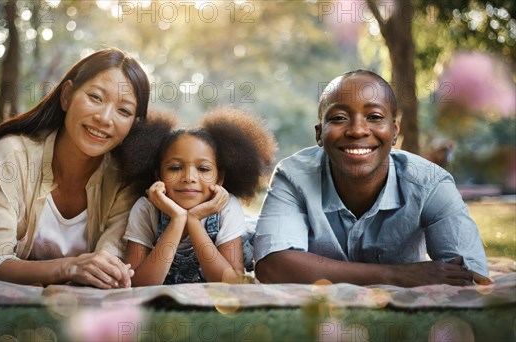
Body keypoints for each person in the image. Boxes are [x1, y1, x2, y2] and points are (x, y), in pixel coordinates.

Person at [254, 70, 490, 287]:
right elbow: (272, 267)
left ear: (395, 132)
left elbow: (470, 275)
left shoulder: (430, 183)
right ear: (319, 134)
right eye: (338, 118)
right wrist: (396, 275)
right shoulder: (293, 176)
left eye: (374, 116)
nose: (357, 130)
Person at [0, 48, 150, 289]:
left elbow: (110, 267)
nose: (105, 118)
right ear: (66, 96)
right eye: (96, 97)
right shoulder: (11, 155)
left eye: (124, 111)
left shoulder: (126, 178)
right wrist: (70, 267)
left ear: (133, 125)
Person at [124, 108, 277, 286]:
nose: (189, 177)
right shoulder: (146, 208)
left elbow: (233, 284)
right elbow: (137, 284)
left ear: (219, 178)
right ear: (158, 176)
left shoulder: (227, 208)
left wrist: (195, 221)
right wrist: (178, 219)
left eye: (203, 169)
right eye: (175, 168)